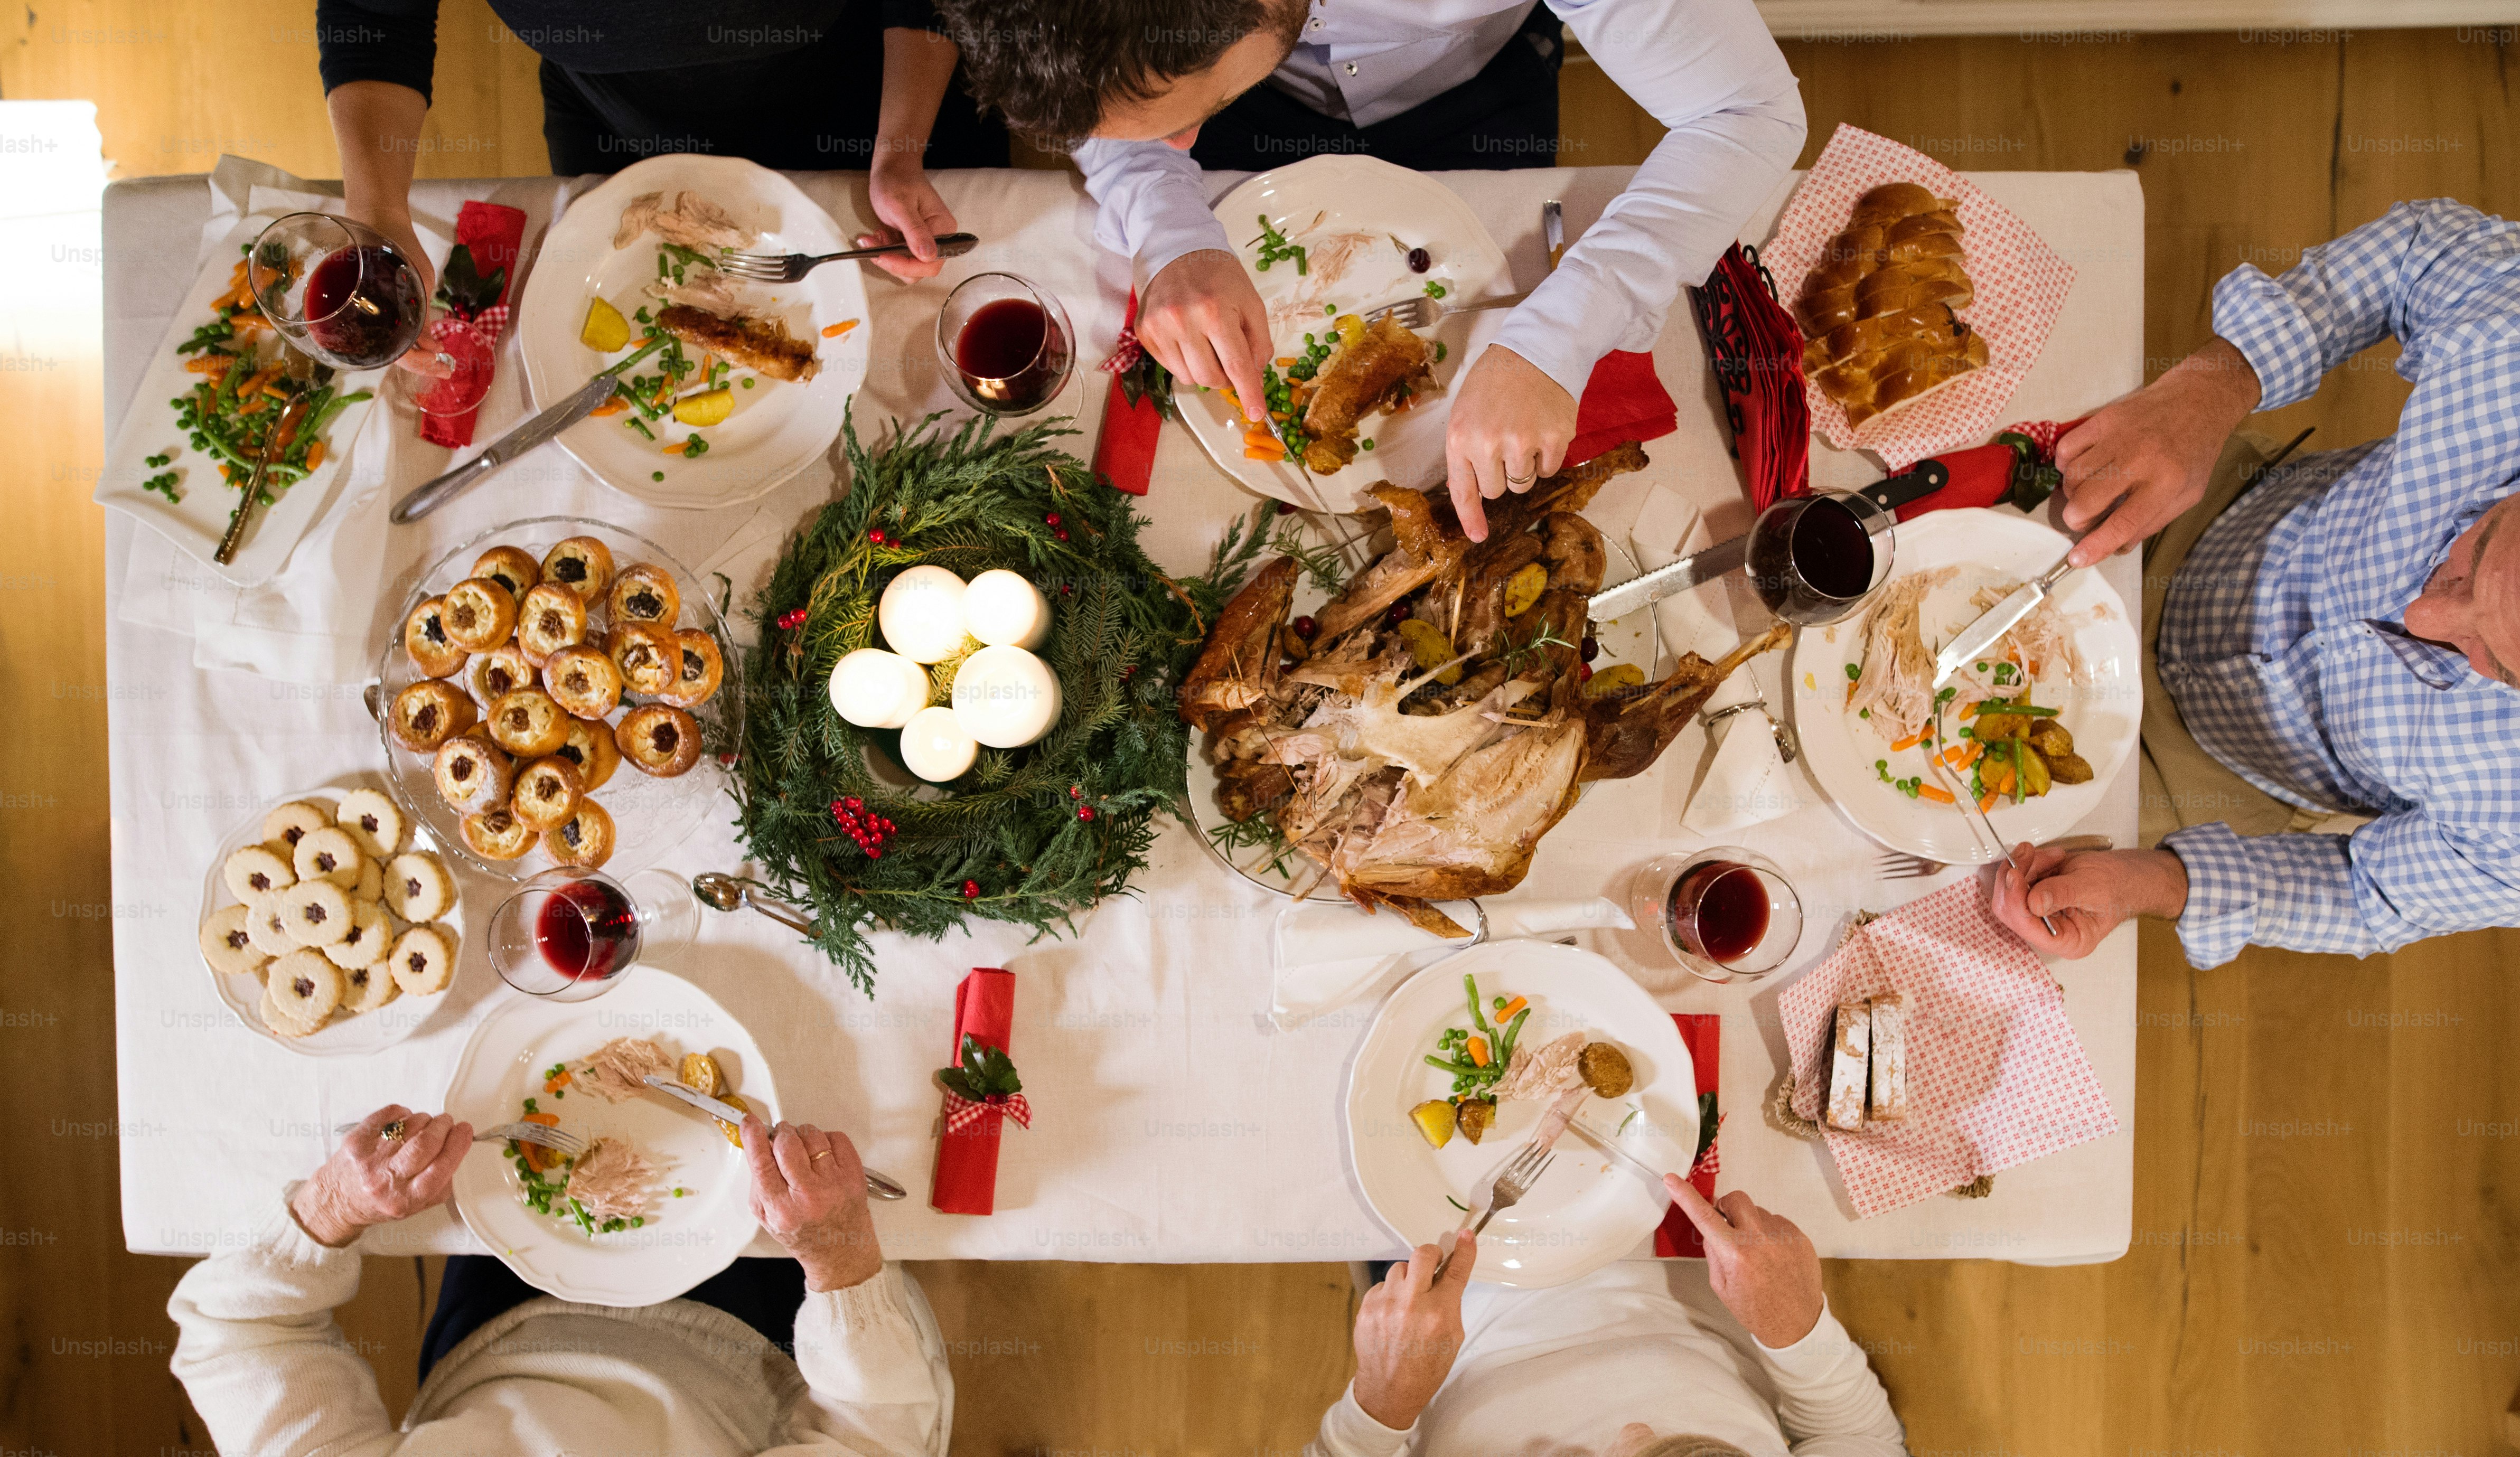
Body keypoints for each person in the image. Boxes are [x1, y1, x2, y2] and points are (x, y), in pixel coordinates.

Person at [932, 0, 1805, 540]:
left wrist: (1559, 335)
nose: (1183, 148)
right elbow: (1097, 80)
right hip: (1262, 85)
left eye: (1189, 118)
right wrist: (1164, 222)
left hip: (1473, 86)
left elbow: (1750, 112)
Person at [1990, 199, 2520, 969]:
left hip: (2199, 769)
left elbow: (2369, 890)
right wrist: (2213, 386)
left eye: (2492, 659)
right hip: (2192, 507)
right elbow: (2415, 254)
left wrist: (2155, 881)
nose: (2422, 613)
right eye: (2481, 547)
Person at [167, 1104, 951, 1455]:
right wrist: (839, 1258)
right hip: (749, 1347)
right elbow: (874, 1435)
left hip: (509, 1322)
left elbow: (238, 1336)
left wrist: (333, 1204)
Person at [314, 0, 1008, 289]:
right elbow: (376, 20)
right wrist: (378, 211)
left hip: (880, 99)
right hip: (619, 130)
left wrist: (901, 147)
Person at [1308, 1177, 1906, 1455]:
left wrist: (1382, 1404)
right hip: (1705, 1262)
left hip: (1459, 1298)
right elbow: (1861, 1437)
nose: (1634, 1426)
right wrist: (1796, 1327)